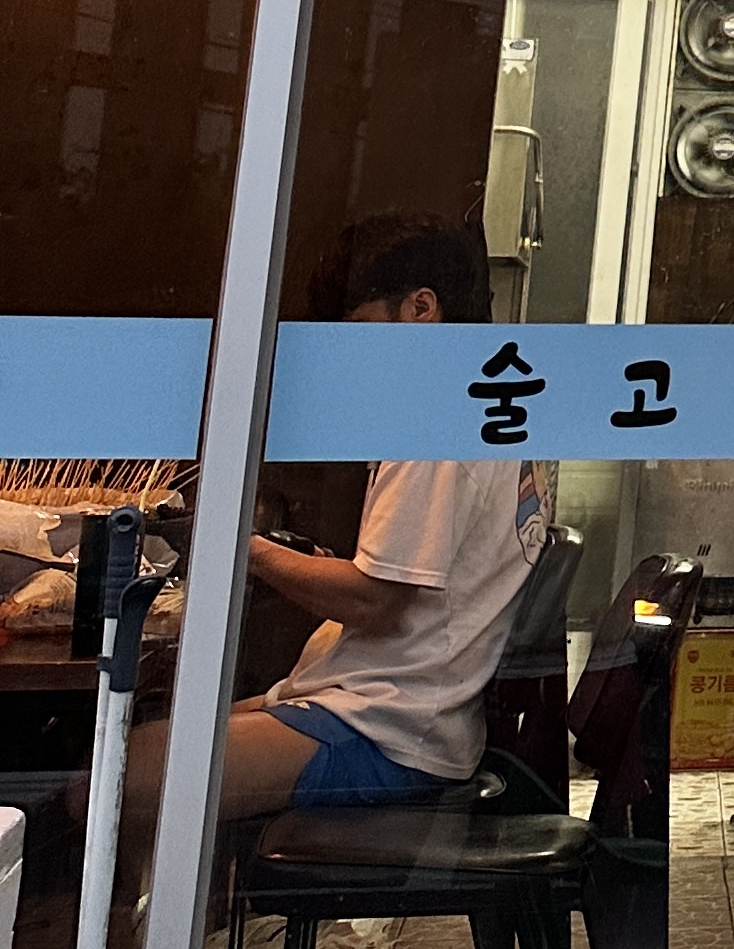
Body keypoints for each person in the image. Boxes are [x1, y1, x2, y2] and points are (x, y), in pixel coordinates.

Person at [124, 211, 545, 826]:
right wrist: (304, 560)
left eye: (358, 332)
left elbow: (377, 601)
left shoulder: (432, 420)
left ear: (420, 308)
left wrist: (242, 547)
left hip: (390, 729)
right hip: (404, 709)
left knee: (118, 779)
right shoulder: (485, 403)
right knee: (154, 739)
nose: (346, 357)